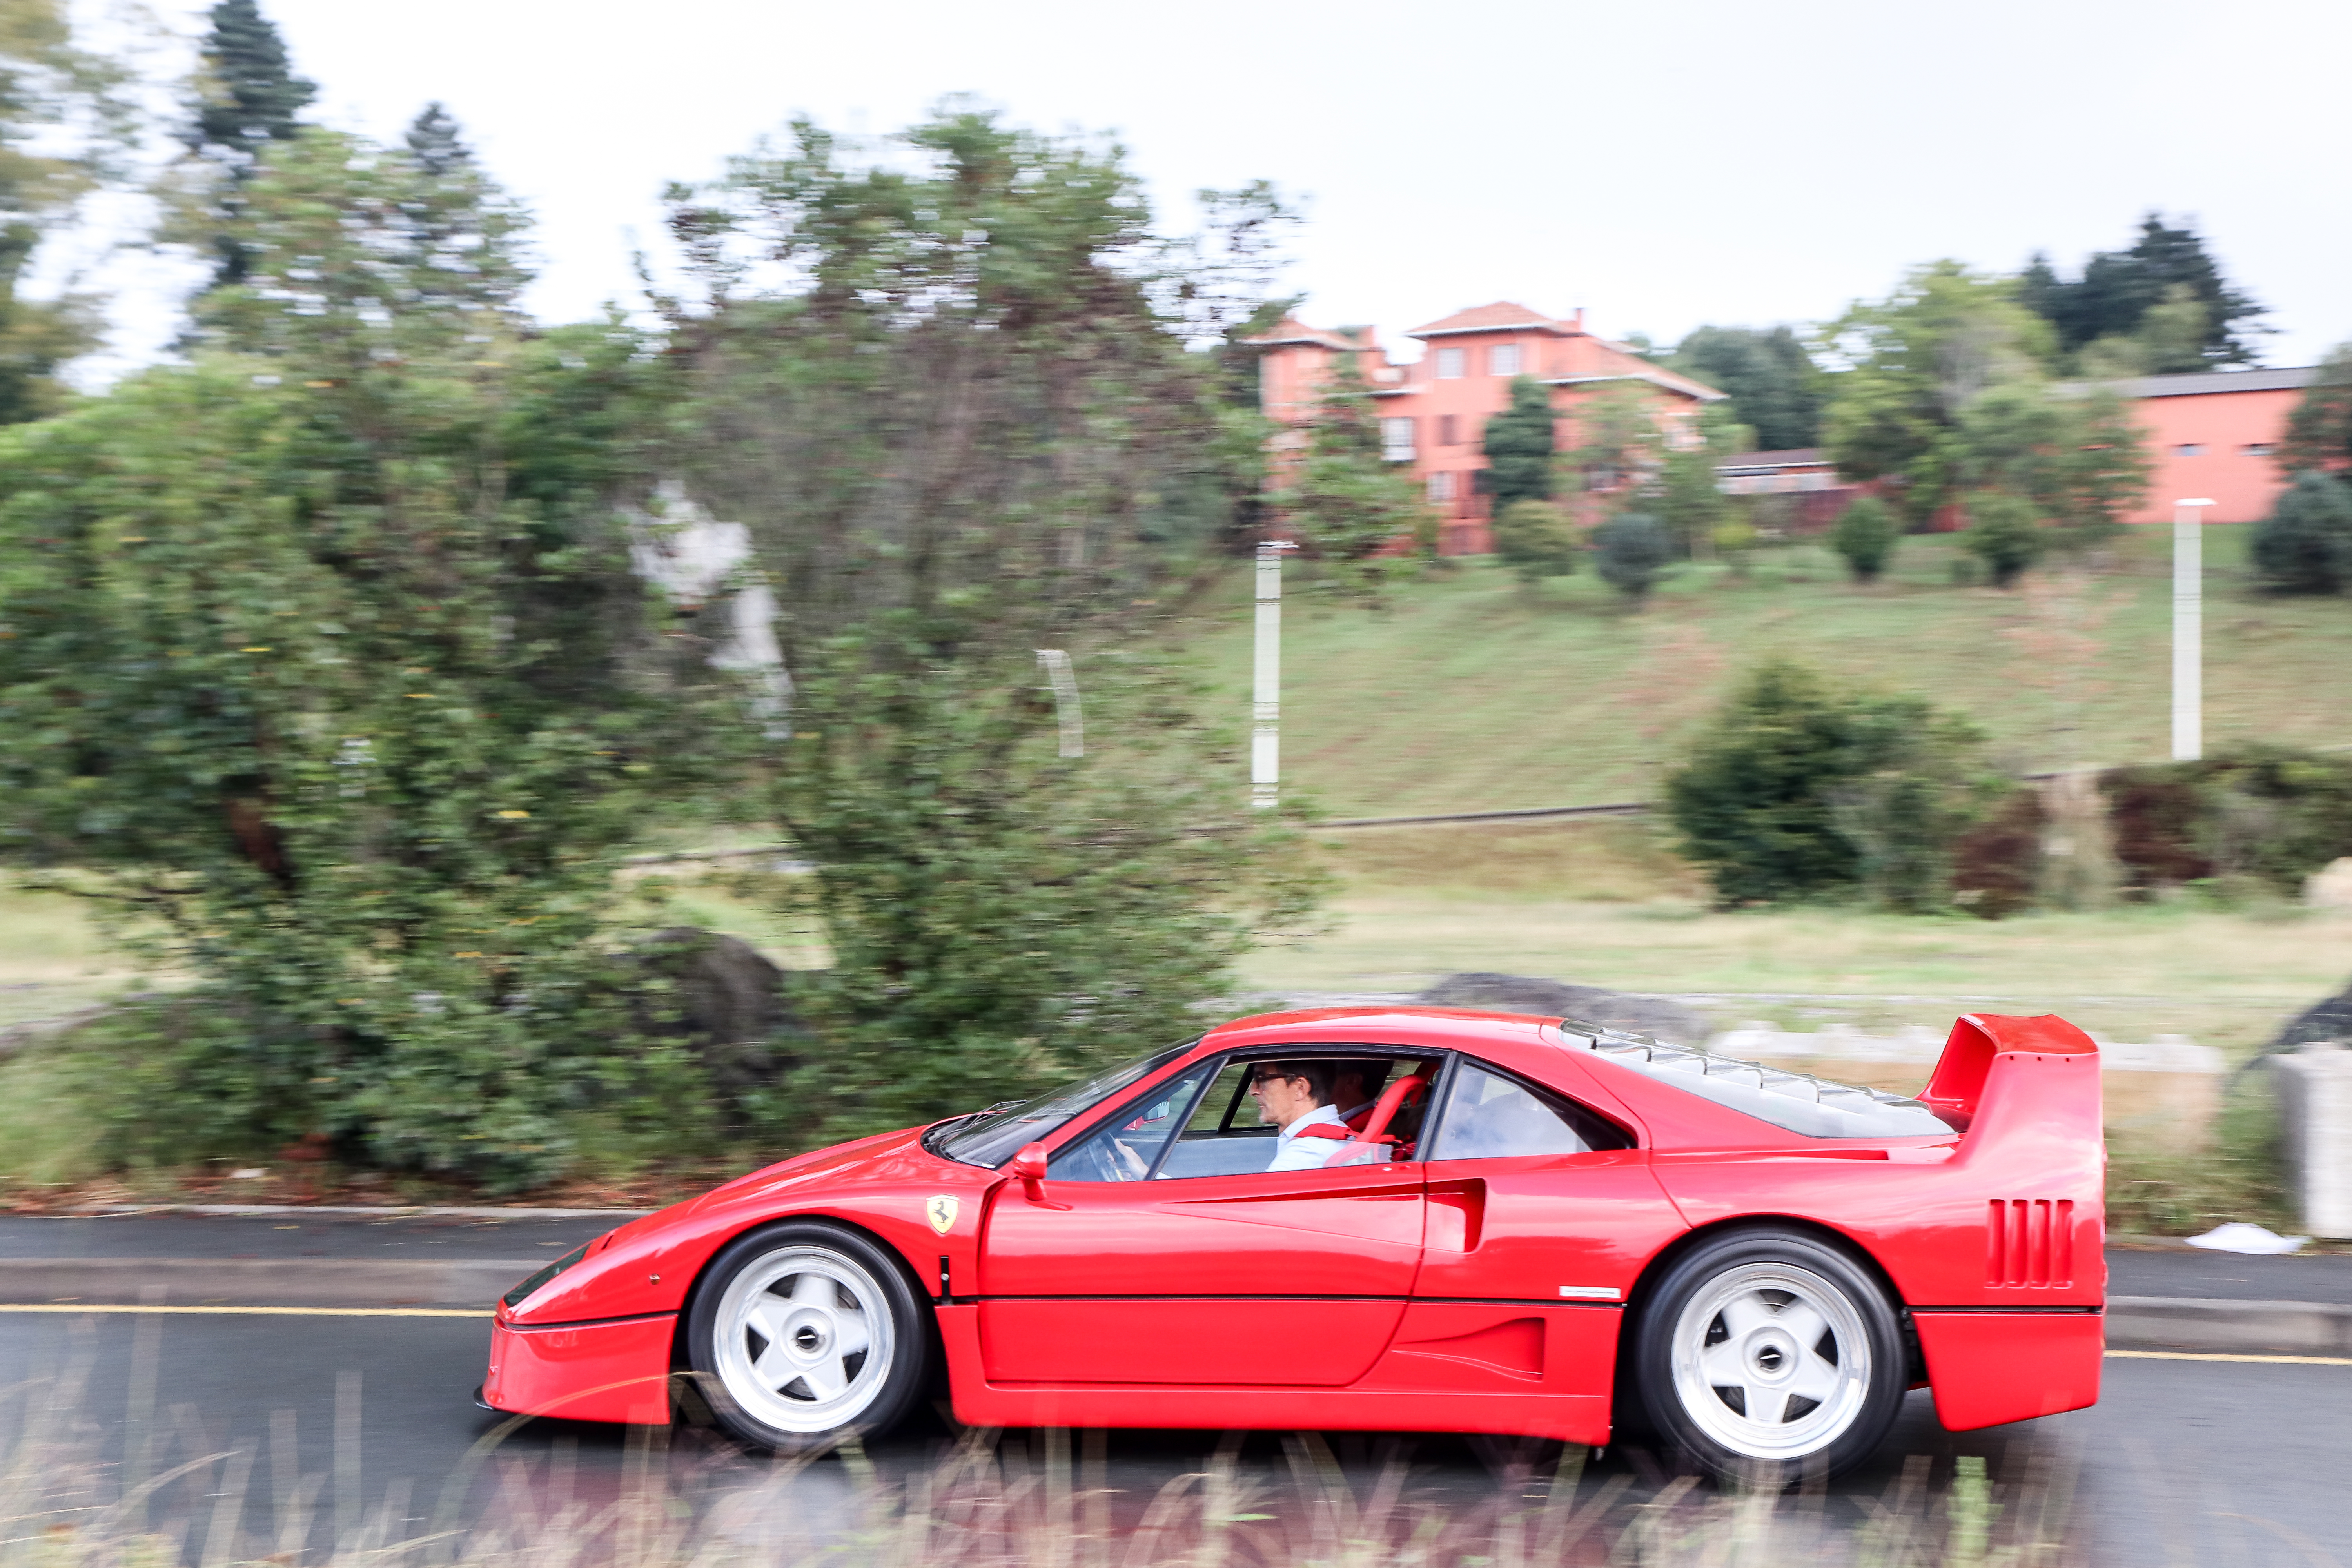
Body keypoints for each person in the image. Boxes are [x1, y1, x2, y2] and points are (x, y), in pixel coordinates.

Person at [1249, 1061, 1385, 1172]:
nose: (1253, 1091)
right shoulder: (1334, 1135)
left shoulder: (1302, 1156)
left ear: (1300, 1088)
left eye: (1262, 1079)